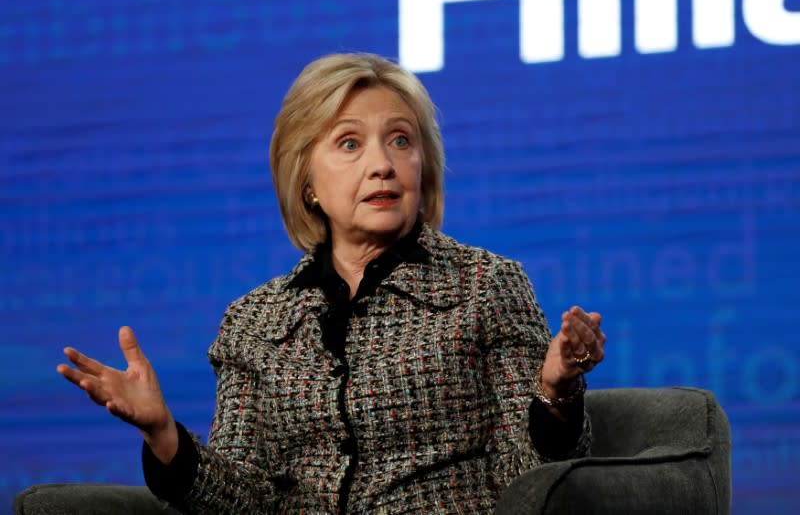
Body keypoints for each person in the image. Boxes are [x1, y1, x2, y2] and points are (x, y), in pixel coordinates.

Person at [57, 53, 607, 514]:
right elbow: (244, 498)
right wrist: (163, 436)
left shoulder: (487, 285)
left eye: (400, 141)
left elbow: (530, 480)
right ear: (307, 181)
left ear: (424, 167)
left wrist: (555, 391)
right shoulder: (254, 320)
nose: (383, 165)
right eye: (349, 144)